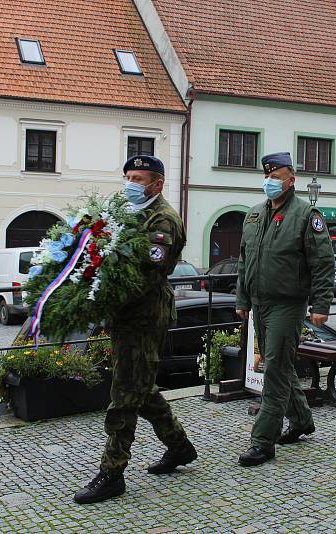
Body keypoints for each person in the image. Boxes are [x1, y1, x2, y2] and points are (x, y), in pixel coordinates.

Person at [74, 155, 197, 504]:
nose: (130, 183)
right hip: (125, 315)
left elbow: (146, 275)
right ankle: (179, 446)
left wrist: (101, 299)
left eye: (138, 178)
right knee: (140, 388)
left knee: (125, 395)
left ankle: (112, 473)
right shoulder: (129, 213)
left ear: (157, 183)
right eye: (128, 176)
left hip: (145, 316)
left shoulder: (163, 220)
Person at [235, 152, 335, 467]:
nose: (270, 182)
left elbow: (322, 262)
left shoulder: (306, 215)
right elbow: (243, 260)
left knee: (274, 369)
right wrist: (242, 299)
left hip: (287, 304)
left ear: (291, 180)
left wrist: (321, 304)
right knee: (281, 366)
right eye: (267, 176)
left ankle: (262, 442)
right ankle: (302, 420)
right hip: (260, 304)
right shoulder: (253, 214)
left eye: (276, 176)